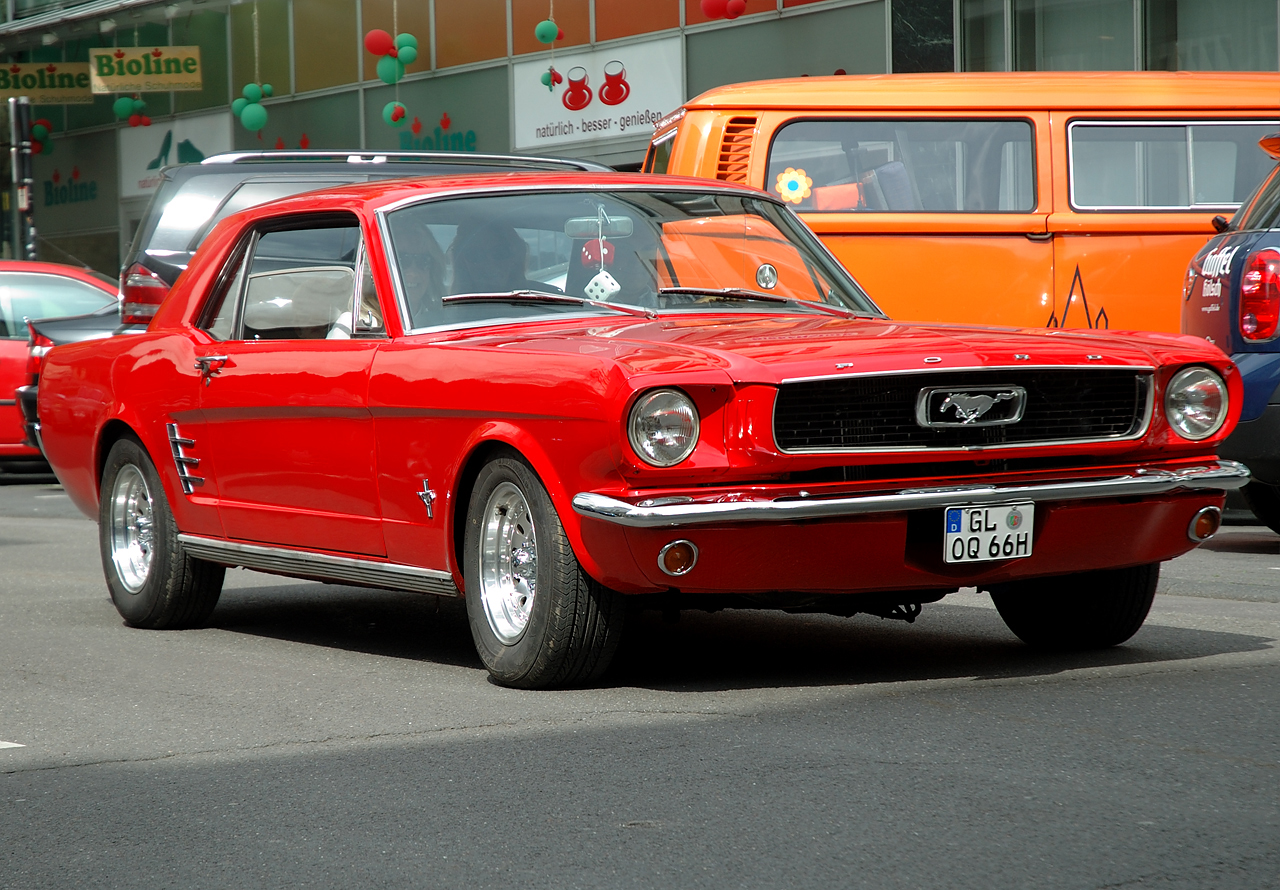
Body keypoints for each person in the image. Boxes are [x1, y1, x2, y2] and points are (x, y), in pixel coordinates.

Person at [449, 221, 561, 295]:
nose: (489, 264)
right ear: (461, 262)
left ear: (516, 256)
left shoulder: (549, 300)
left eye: (499, 253)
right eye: (476, 255)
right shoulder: (441, 311)